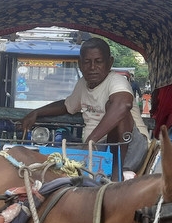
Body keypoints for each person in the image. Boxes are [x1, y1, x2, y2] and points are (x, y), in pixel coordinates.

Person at [21, 37, 147, 178]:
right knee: (51, 160)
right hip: (96, 150)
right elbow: (66, 105)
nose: (92, 67)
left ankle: (116, 175)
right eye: (87, 62)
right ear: (80, 64)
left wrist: (90, 142)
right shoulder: (82, 84)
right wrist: (37, 112)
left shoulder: (117, 81)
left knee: (114, 106)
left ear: (109, 63)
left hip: (130, 149)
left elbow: (123, 105)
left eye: (98, 62)